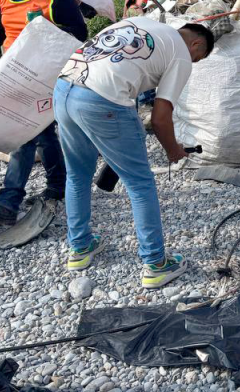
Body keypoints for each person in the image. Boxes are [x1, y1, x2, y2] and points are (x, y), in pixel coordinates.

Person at [54, 18, 214, 289]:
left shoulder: (143, 23)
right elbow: (161, 117)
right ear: (196, 44)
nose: (193, 64)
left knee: (77, 175)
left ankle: (79, 249)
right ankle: (156, 264)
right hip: (101, 101)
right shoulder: (181, 54)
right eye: (198, 58)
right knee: (140, 183)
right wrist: (173, 150)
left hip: (64, 89)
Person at [0, 0, 88, 224]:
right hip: (14, 71)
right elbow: (0, 28)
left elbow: (80, 33)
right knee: (44, 132)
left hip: (45, 74)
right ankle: (58, 185)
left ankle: (8, 203)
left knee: (24, 135)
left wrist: (47, 30)